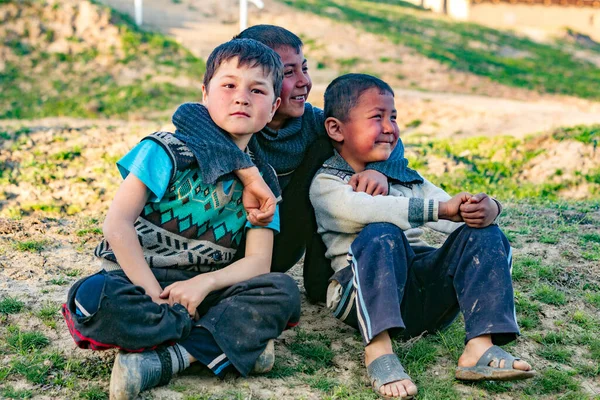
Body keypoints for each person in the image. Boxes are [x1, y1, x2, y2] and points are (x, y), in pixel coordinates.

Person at [61, 39, 301, 400]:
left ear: (273, 107)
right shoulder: (164, 150)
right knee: (91, 299)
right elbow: (117, 225)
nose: (242, 97)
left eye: (257, 89)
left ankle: (168, 358)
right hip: (138, 279)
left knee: (282, 292)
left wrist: (204, 284)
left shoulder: (263, 183)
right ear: (205, 94)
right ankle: (221, 342)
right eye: (229, 85)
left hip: (205, 291)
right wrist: (152, 293)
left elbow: (258, 262)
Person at [309, 73, 535, 399]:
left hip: (422, 298)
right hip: (359, 294)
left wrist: (487, 209)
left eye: (393, 117)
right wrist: (440, 209)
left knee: (485, 235)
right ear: (336, 129)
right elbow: (366, 210)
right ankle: (379, 349)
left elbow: (454, 217)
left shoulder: (406, 179)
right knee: (381, 232)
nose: (390, 127)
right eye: (377, 117)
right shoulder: (328, 182)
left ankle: (479, 347)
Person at [171, 25, 421, 302]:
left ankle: (323, 277)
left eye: (304, 68)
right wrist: (251, 175)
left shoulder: (312, 123)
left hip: (277, 239)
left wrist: (378, 169)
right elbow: (187, 114)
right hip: (219, 239)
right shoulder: (234, 115)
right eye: (289, 73)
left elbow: (381, 139)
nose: (304, 81)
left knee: (328, 146)